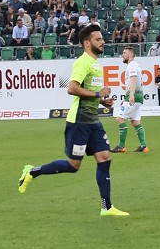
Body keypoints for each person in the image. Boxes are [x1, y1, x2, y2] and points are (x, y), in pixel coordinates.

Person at [18, 24, 129, 217]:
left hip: (93, 121)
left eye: (102, 38)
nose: (103, 42)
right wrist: (97, 93)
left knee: (104, 158)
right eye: (98, 39)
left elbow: (89, 93)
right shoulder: (82, 62)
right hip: (78, 122)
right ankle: (32, 172)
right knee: (73, 166)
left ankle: (107, 207)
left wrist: (103, 100)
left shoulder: (95, 64)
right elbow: (71, 88)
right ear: (87, 43)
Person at [112, 46, 148, 153]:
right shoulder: (136, 65)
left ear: (131, 55)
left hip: (134, 96)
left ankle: (122, 146)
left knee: (119, 119)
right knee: (135, 121)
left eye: (125, 53)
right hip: (138, 96)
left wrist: (131, 96)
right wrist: (127, 97)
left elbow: (133, 79)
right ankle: (143, 146)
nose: (123, 55)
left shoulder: (131, 66)